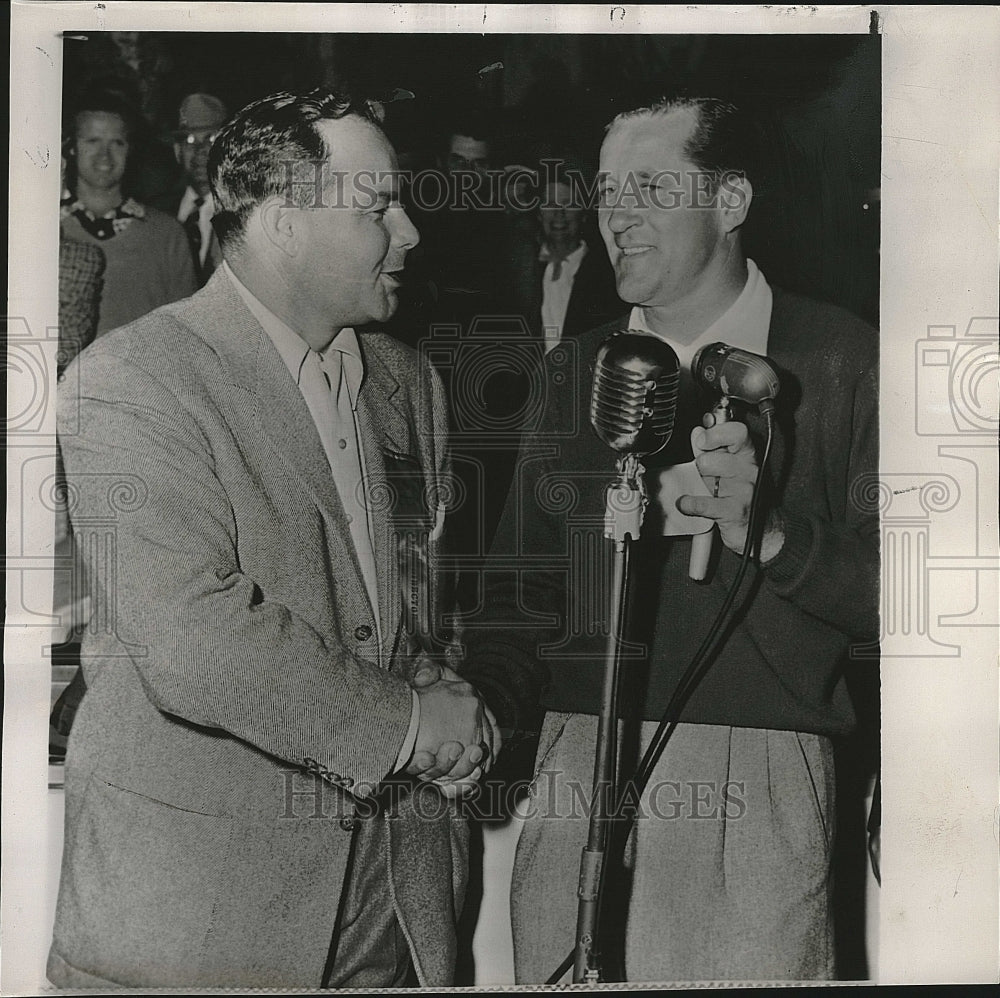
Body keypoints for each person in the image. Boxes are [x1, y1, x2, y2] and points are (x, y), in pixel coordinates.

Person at [48, 89, 499, 990]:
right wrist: (412, 725)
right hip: (203, 915)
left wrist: (447, 690)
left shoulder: (408, 383)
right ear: (285, 221)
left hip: (392, 904)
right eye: (378, 207)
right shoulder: (135, 380)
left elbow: (409, 618)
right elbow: (192, 637)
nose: (409, 233)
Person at [463, 97, 879, 983]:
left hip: (756, 781)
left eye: (651, 185)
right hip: (578, 764)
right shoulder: (573, 370)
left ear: (731, 201)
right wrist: (478, 717)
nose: (617, 214)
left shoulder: (844, 359)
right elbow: (515, 601)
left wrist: (769, 534)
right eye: (609, 188)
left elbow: (907, 605)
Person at [60, 90, 198, 336]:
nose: (105, 156)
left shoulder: (166, 234)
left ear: (130, 150)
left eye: (117, 143)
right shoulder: (44, 229)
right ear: (71, 148)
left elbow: (187, 334)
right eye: (92, 141)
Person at [506, 164, 622, 353]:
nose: (558, 213)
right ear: (538, 213)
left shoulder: (605, 273)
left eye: (569, 203)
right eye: (550, 203)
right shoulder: (521, 268)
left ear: (584, 214)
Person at [173, 92, 228, 286]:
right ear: (177, 152)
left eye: (210, 140)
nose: (200, 151)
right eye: (189, 141)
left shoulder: (242, 214)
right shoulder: (157, 210)